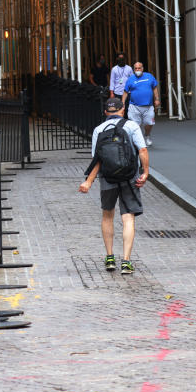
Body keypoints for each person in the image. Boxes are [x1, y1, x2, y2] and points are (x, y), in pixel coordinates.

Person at [78, 97, 149, 275]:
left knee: (107, 216)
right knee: (128, 217)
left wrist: (89, 181)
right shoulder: (132, 126)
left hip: (107, 178)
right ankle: (126, 261)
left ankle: (110, 258)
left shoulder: (99, 130)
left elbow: (97, 159)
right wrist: (145, 172)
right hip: (129, 177)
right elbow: (142, 150)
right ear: (122, 110)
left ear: (105, 113)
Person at [122, 61, 161, 147]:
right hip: (134, 106)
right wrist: (122, 103)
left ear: (142, 68)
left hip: (148, 106)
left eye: (139, 68)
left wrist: (157, 99)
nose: (137, 70)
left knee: (149, 123)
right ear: (134, 69)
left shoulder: (149, 76)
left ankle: (147, 135)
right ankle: (138, 140)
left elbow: (154, 88)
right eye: (136, 68)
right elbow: (125, 92)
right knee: (135, 125)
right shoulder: (130, 79)